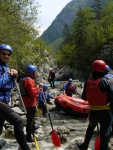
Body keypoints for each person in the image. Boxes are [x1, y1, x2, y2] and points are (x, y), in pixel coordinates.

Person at [76, 60, 113, 150]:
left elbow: (84, 98)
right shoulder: (105, 82)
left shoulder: (87, 82)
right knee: (105, 134)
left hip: (93, 113)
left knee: (91, 127)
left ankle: (85, 145)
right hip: (105, 113)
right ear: (103, 69)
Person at [0, 44, 30, 150]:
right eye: (3, 53)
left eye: (8, 54)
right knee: (18, 121)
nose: (6, 56)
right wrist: (8, 75)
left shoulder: (6, 67)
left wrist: (14, 76)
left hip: (4, 101)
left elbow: (11, 85)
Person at [19, 65, 40, 142]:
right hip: (29, 103)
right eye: (35, 72)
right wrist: (39, 89)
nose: (35, 73)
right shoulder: (29, 80)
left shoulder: (23, 78)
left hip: (26, 102)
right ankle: (28, 137)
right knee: (30, 120)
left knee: (31, 118)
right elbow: (33, 93)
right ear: (32, 72)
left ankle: (33, 128)